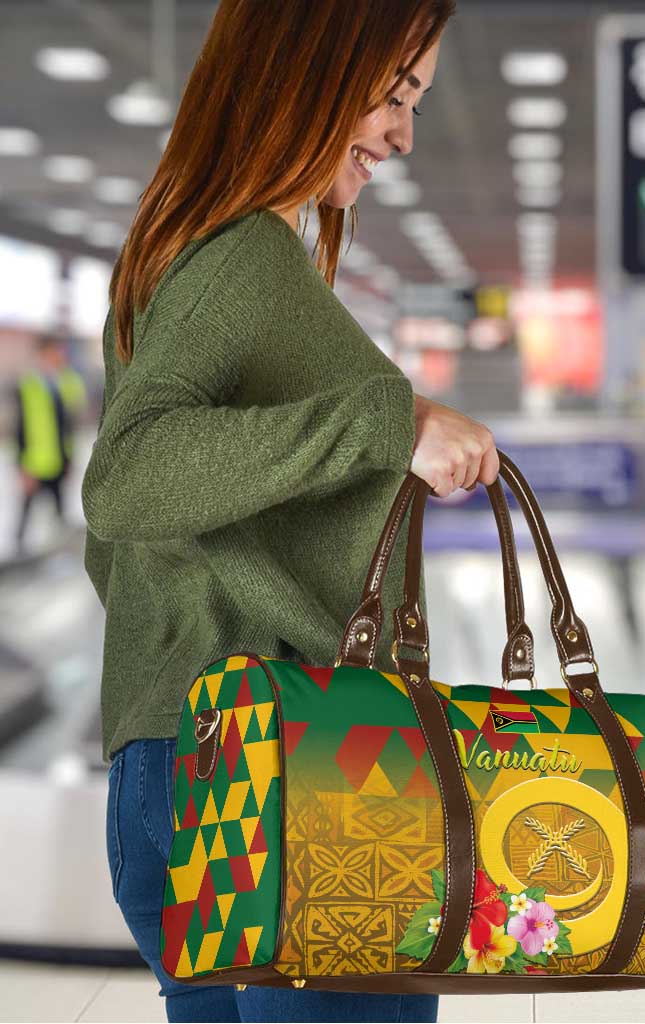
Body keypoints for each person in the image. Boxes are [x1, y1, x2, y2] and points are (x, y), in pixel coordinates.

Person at [80, 2, 496, 1021]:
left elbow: (126, 545)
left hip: (185, 759)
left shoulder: (186, 252)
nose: (402, 132)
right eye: (395, 94)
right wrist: (384, 424)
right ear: (306, 65)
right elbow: (126, 477)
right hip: (295, 771)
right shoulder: (240, 260)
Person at [11, 331, 86, 556]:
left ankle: (59, 554)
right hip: (35, 462)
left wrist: (70, 458)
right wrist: (22, 466)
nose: (59, 355)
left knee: (59, 511)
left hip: (60, 458)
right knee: (26, 512)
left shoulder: (65, 381)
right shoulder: (28, 385)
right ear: (43, 353)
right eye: (55, 350)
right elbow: (20, 428)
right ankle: (18, 554)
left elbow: (72, 416)